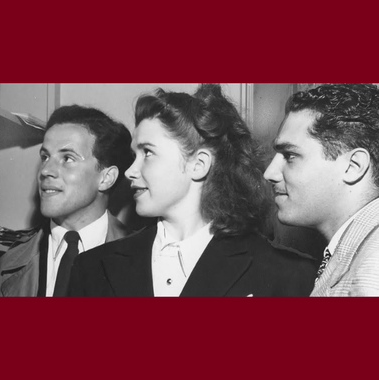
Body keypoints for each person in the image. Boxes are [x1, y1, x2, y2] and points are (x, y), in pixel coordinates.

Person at [69, 84, 317, 297]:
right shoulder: (93, 268)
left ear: (198, 165)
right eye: (135, 155)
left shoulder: (287, 275)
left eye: (148, 153)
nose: (129, 171)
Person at [0, 105, 134, 296]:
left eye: (67, 158)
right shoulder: (6, 267)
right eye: (45, 157)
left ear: (106, 178)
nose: (45, 171)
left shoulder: (143, 259)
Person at [264, 83, 379, 296]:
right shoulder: (356, 253)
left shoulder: (371, 268)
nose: (270, 173)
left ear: (353, 166)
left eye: (290, 156)